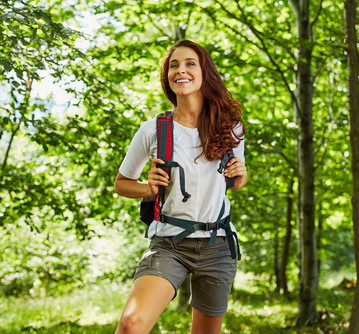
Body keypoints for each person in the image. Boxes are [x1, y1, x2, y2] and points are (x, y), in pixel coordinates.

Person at [113, 39, 247, 334]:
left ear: (204, 73)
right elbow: (122, 184)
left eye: (190, 64)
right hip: (168, 245)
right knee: (131, 324)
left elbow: (236, 182)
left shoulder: (231, 126)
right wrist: (148, 188)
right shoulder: (153, 129)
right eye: (174, 65)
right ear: (167, 76)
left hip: (218, 245)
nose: (180, 71)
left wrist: (241, 173)